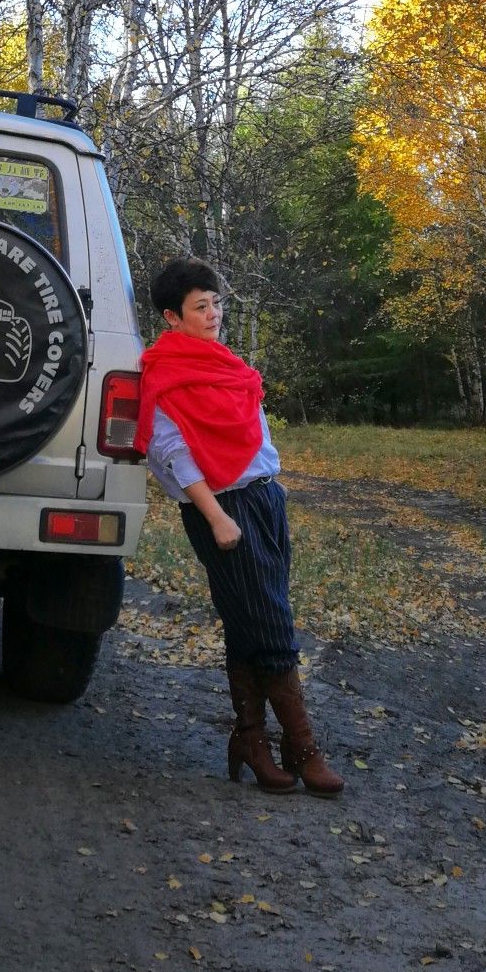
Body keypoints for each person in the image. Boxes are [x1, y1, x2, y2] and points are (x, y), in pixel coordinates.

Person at [134, 256, 343, 797]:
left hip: (264, 499)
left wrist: (273, 486)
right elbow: (172, 453)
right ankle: (304, 749)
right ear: (170, 317)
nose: (213, 314)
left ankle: (251, 738)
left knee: (250, 621)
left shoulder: (225, 362)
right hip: (222, 508)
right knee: (271, 625)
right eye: (200, 306)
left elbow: (253, 429)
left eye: (217, 303)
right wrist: (217, 515)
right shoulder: (164, 371)